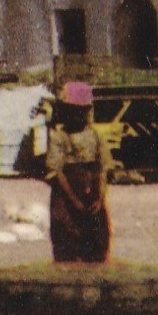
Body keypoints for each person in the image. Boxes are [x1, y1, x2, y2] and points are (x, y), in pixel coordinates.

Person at [46, 81, 110, 263]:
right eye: (73, 111)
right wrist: (74, 201)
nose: (78, 115)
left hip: (92, 199)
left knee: (96, 247)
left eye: (82, 111)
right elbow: (56, 172)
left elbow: (103, 168)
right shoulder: (59, 137)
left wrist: (99, 197)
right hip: (65, 200)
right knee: (66, 248)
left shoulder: (96, 135)